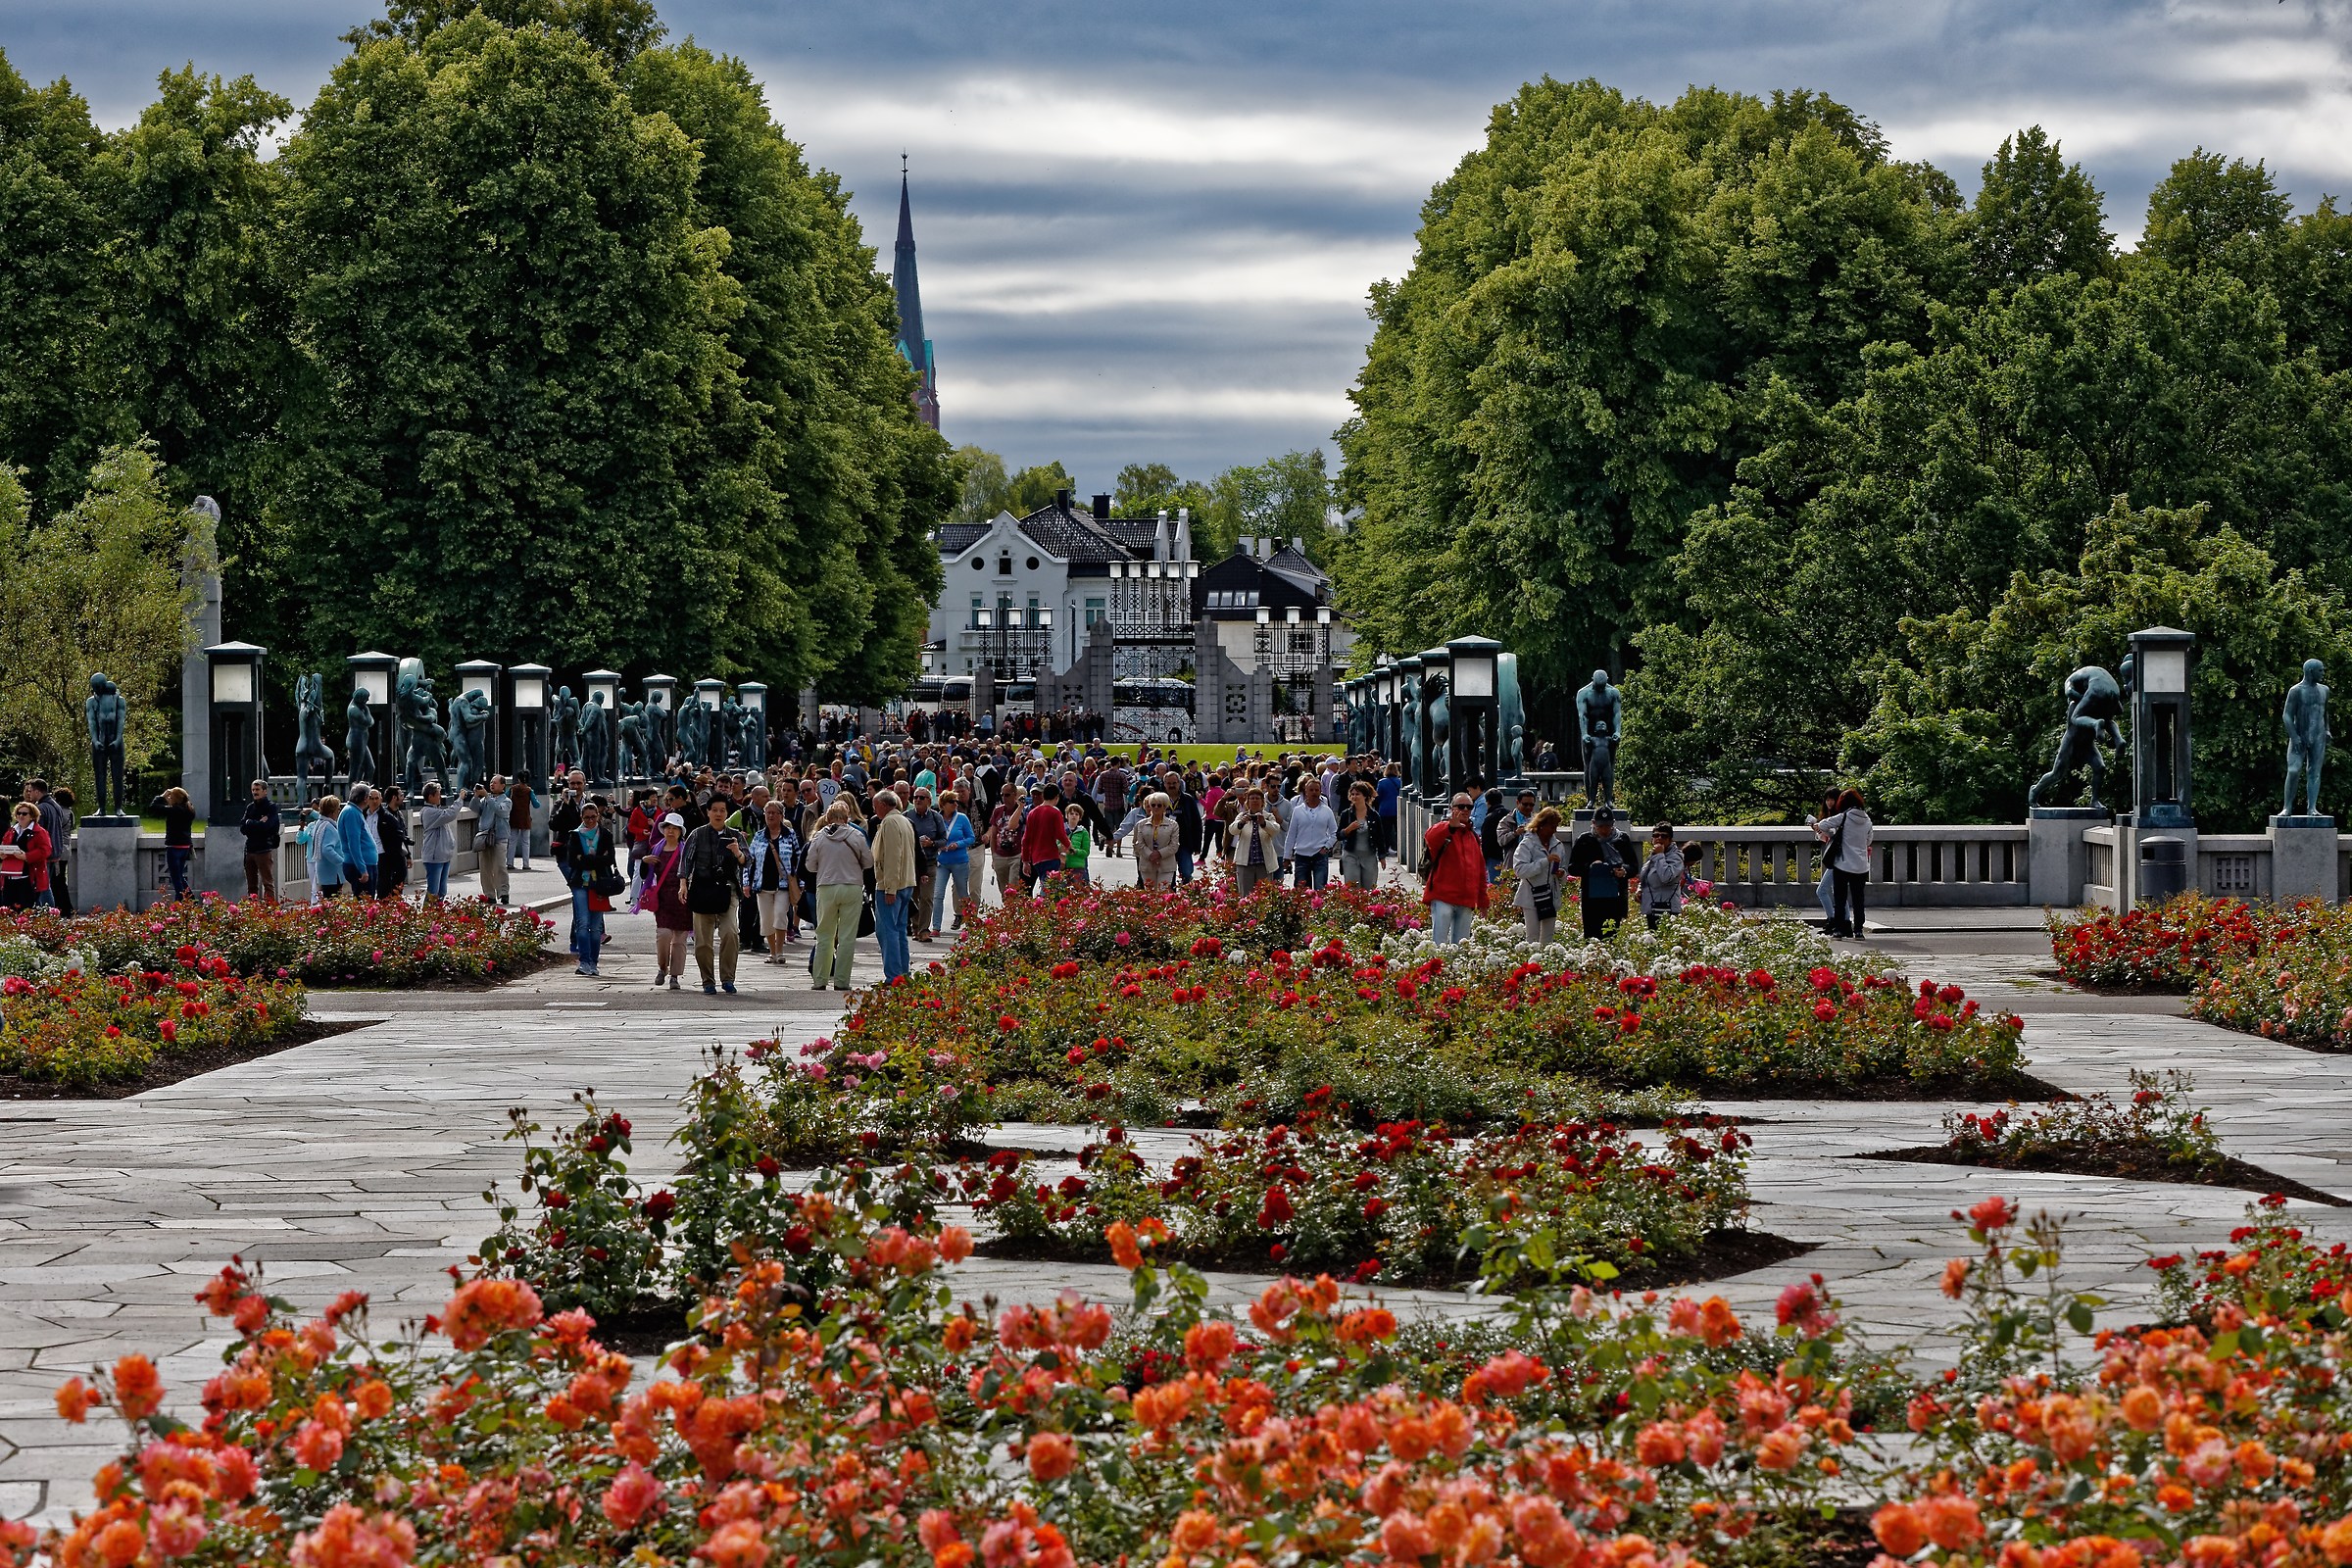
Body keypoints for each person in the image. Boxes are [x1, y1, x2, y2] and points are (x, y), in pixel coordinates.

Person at [804, 801, 872, 991]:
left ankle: (820, 980)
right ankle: (842, 981)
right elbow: (868, 861)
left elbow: (810, 865)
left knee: (824, 935)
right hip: (851, 886)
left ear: (827, 818)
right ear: (846, 818)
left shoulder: (818, 837)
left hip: (826, 886)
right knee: (847, 936)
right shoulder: (856, 835)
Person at [682, 797, 747, 993]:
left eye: (722, 810)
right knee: (702, 940)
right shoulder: (697, 834)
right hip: (702, 889)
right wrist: (683, 884)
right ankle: (707, 980)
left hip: (728, 890)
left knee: (730, 933)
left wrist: (737, 852)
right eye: (715, 810)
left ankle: (728, 978)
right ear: (708, 812)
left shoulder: (735, 835)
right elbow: (686, 861)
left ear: (727, 813)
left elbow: (747, 860)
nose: (718, 814)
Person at [561, 799, 621, 974]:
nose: (590, 821)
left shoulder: (605, 835)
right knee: (582, 922)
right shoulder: (575, 835)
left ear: (598, 816)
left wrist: (585, 859)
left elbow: (609, 859)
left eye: (593, 817)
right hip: (580, 882)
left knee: (595, 926)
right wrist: (596, 859)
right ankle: (584, 961)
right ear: (581, 817)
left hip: (600, 884)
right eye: (586, 818)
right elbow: (572, 861)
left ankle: (593, 962)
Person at [633, 809, 691, 989]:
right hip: (663, 899)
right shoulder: (656, 849)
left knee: (680, 941)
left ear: (681, 831)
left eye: (675, 828)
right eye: (668, 827)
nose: (671, 831)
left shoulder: (686, 850)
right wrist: (645, 862)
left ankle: (675, 976)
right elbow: (645, 876)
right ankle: (662, 967)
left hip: (683, 899)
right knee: (663, 935)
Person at [1421, 793, 1488, 944]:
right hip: (1443, 896)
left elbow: (1480, 871)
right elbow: (1430, 836)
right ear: (1452, 809)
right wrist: (1450, 826)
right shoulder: (1444, 829)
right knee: (1439, 944)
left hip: (1466, 899)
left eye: (1469, 807)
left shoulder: (1473, 837)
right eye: (1460, 806)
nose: (1465, 810)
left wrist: (1483, 900)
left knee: (1462, 945)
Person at [744, 801, 799, 964]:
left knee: (780, 915)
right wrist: (746, 882)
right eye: (768, 813)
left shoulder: (790, 835)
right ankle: (772, 952)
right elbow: (749, 861)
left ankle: (780, 951)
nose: (771, 816)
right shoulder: (759, 836)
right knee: (766, 919)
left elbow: (798, 857)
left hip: (783, 885)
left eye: (775, 813)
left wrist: (799, 882)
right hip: (762, 885)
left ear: (781, 816)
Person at [1566, 808, 1632, 940]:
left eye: (1608, 826)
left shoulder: (1622, 839)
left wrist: (1624, 870)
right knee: (1592, 936)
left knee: (1611, 934)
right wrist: (1590, 867)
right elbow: (1572, 867)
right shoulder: (1585, 840)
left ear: (1613, 823)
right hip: (1592, 897)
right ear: (1593, 823)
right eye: (1600, 826)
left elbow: (1633, 865)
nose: (1604, 830)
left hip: (1614, 895)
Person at [871, 790, 916, 981]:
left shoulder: (889, 822)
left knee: (887, 932)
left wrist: (889, 888)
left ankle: (893, 976)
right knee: (898, 931)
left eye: (875, 806)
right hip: (906, 883)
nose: (874, 810)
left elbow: (892, 857)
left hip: (891, 886)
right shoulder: (904, 820)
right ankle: (902, 973)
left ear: (883, 805)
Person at [1817, 788, 1874, 939]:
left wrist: (1833, 835)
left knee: (1840, 899)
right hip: (1861, 865)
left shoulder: (1844, 817)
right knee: (1858, 899)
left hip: (1842, 863)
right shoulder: (1867, 820)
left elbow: (1822, 825)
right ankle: (1858, 930)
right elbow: (1868, 840)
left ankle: (1838, 929)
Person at [1510, 808, 1568, 944]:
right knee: (1533, 939)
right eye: (1552, 826)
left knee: (1548, 939)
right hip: (1531, 896)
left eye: (1556, 827)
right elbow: (1520, 870)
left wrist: (1561, 873)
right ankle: (1532, 964)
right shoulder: (1527, 844)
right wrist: (1544, 862)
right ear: (1541, 825)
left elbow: (1564, 869)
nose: (1554, 830)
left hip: (1550, 896)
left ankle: (1545, 963)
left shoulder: (1558, 845)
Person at [904, 787, 947, 941]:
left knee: (927, 897)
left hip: (929, 863)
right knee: (912, 897)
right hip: (911, 864)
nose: (918, 800)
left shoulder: (936, 818)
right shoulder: (907, 816)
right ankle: (916, 928)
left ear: (929, 801)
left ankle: (924, 930)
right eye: (915, 797)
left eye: (922, 797)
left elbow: (944, 839)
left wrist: (932, 843)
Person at [1225, 787, 1284, 897]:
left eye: (1257, 798)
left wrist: (1264, 823)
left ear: (1262, 801)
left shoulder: (1268, 816)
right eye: (1252, 798)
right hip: (1245, 864)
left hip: (1264, 864)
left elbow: (1276, 830)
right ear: (1247, 801)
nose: (1255, 800)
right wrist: (1241, 823)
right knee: (1245, 896)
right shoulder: (1242, 816)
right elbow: (1232, 830)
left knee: (1264, 896)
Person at [1283, 776, 1338, 889]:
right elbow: (1291, 834)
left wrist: (1327, 847)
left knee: (1320, 888)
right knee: (1302, 890)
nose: (1314, 792)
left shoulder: (1327, 810)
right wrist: (1286, 856)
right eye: (1311, 790)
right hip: (1301, 855)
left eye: (1316, 790)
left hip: (1320, 855)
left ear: (1321, 791)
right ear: (1306, 791)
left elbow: (1334, 833)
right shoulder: (1298, 811)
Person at [26, 778, 72, 913]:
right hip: (56, 851)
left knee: (43, 886)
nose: (29, 794)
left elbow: (38, 833)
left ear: (37, 791)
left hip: (44, 853)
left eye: (31, 791)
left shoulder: (41, 808)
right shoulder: (56, 805)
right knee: (48, 885)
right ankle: (49, 912)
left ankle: (48, 913)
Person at [0, 800, 54, 907]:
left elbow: (46, 850)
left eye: (24, 814)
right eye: (18, 813)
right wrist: (2, 854)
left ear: (32, 816)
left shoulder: (39, 832)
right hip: (9, 877)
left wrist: (26, 856)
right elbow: (4, 845)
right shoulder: (12, 831)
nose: (21, 816)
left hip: (28, 878)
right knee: (7, 910)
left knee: (27, 909)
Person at [933, 798, 975, 932]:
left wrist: (958, 844)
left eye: (957, 801)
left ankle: (970, 923)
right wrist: (936, 844)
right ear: (943, 804)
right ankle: (936, 927)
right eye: (952, 802)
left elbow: (971, 838)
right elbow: (933, 836)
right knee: (938, 894)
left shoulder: (962, 818)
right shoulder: (937, 818)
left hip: (960, 861)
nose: (956, 804)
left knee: (963, 893)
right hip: (942, 862)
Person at [1019, 783, 1070, 896]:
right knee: (1050, 889)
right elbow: (1061, 834)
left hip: (1036, 857)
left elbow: (1026, 839)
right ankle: (1043, 908)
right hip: (1051, 855)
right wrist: (1070, 847)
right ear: (1056, 797)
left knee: (1045, 884)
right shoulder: (1055, 812)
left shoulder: (1032, 813)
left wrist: (1026, 861)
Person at [1638, 822, 1689, 930]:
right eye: (1656, 835)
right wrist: (1640, 889)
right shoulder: (1654, 855)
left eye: (1664, 836)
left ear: (1670, 840)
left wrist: (1660, 856)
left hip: (1667, 909)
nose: (1659, 838)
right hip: (1652, 907)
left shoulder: (1676, 857)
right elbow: (1647, 876)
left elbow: (1666, 877)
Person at [149, 786, 196, 900]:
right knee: (179, 875)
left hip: (174, 847)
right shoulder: (189, 809)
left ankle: (179, 900)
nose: (169, 798)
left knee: (175, 878)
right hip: (185, 847)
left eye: (171, 797)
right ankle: (191, 898)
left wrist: (161, 796)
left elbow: (153, 808)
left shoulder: (175, 810)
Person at [416, 783, 461, 900]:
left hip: (444, 856)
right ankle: (427, 914)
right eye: (438, 795)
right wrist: (460, 799)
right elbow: (450, 814)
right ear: (430, 797)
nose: (440, 797)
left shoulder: (436, 810)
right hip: (434, 857)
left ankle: (439, 915)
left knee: (442, 891)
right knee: (433, 891)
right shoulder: (428, 812)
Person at [239, 779, 282, 900]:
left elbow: (267, 827)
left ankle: (270, 911)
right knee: (251, 885)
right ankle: (253, 910)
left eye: (257, 790)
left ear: (264, 791)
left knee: (267, 883)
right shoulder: (250, 807)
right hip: (250, 850)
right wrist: (257, 823)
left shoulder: (271, 807)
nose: (255, 792)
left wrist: (250, 823)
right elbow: (243, 828)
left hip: (264, 849)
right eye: (253, 790)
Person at [472, 778, 513, 905]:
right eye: (490, 783)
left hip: (500, 837)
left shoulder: (506, 801)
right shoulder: (484, 800)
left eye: (495, 783)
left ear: (502, 786)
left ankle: (503, 893)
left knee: (499, 865)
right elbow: (474, 808)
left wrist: (487, 798)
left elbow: (500, 810)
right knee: (485, 867)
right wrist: (476, 797)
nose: (491, 785)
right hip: (485, 836)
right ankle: (489, 894)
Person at [301, 795, 347, 901]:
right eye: (338, 809)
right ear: (333, 811)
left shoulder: (320, 823)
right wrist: (342, 861)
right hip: (332, 874)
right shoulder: (329, 827)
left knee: (327, 901)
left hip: (324, 872)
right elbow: (327, 849)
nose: (339, 811)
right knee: (332, 901)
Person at [1338, 781, 1381, 890]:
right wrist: (1348, 829)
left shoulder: (1374, 815)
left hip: (1369, 856)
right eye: (1352, 794)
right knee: (1353, 889)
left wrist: (1382, 856)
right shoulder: (1346, 814)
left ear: (1365, 796)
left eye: (1357, 794)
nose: (1354, 796)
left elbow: (1380, 837)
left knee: (1369, 889)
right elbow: (1339, 835)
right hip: (1351, 855)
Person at [1133, 793, 1180, 890]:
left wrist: (1159, 854)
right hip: (1147, 865)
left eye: (1159, 805)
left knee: (1163, 894)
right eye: (1153, 805)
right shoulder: (1141, 824)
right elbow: (1139, 844)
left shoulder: (1173, 825)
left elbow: (1174, 845)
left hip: (1166, 865)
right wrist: (1150, 855)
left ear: (1165, 807)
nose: (1156, 807)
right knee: (1150, 894)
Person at [337, 786, 378, 897]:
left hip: (367, 863)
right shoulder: (351, 812)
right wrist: (362, 869)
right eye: (370, 797)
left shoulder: (355, 811)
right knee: (364, 902)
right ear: (365, 798)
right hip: (359, 865)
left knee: (369, 901)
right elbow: (353, 843)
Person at [375, 785, 412, 901]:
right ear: (394, 798)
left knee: (399, 883)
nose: (403, 798)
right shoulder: (385, 816)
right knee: (385, 886)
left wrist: (408, 856)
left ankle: (396, 904)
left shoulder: (399, 814)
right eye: (401, 795)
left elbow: (403, 836)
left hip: (399, 855)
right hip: (387, 856)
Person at [989, 792, 1026, 902]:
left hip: (1016, 854)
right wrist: (993, 856)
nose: (1004, 797)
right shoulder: (998, 811)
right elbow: (993, 835)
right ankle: (1008, 912)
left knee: (1013, 887)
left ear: (1015, 795)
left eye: (1007, 795)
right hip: (1000, 855)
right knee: (1003, 889)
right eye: (1002, 795)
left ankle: (1014, 913)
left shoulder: (1022, 810)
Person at [507, 776, 535, 871]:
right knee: (526, 842)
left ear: (519, 779)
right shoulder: (529, 791)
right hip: (525, 818)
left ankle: (510, 863)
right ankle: (526, 864)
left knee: (512, 841)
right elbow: (536, 804)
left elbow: (505, 797)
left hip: (514, 818)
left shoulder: (512, 789)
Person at [1060, 803, 1091, 884]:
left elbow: (1086, 852)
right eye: (1071, 813)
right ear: (1067, 816)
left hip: (1078, 868)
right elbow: (1055, 845)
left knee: (1079, 893)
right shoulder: (1061, 829)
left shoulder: (1083, 832)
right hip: (1062, 866)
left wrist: (1075, 851)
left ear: (1080, 818)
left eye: (1077, 814)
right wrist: (1061, 848)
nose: (1074, 816)